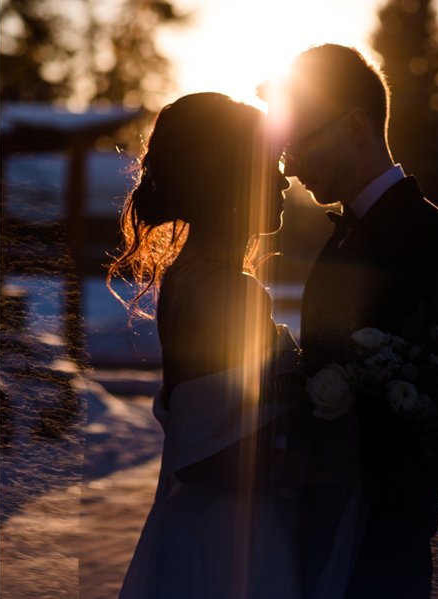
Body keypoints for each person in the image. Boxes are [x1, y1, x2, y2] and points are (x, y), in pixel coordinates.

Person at [262, 45, 438, 598]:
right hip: (335, 522)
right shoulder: (350, 232)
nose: (290, 165)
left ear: (355, 125)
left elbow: (432, 408)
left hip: (384, 534)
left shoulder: (427, 237)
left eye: (301, 143)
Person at [109, 92, 303, 598]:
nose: (284, 180)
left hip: (199, 528)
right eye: (270, 164)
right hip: (227, 546)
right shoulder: (225, 291)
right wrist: (330, 455)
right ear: (231, 177)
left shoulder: (194, 275)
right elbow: (204, 454)